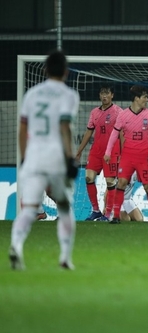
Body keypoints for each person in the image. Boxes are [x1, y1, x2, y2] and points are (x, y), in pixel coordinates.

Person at [9, 50, 80, 270]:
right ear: (66, 72)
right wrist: (70, 157)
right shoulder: (69, 95)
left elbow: (22, 129)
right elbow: (64, 126)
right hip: (56, 157)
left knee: (29, 209)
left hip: (33, 157)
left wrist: (24, 157)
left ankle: (17, 245)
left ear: (46, 70)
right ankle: (65, 258)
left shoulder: (32, 94)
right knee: (65, 208)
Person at [104, 85, 148, 224]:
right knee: (121, 183)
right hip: (127, 157)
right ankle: (116, 217)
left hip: (144, 157)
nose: (147, 100)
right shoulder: (123, 115)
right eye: (144, 97)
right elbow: (114, 133)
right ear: (136, 98)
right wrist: (108, 152)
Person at [76, 85, 123, 221]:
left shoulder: (118, 112)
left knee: (110, 182)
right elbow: (89, 131)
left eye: (107, 93)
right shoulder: (94, 113)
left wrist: (123, 152)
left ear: (112, 95)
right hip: (96, 151)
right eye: (102, 93)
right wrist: (79, 151)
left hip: (112, 151)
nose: (104, 96)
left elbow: (121, 133)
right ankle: (96, 210)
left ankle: (108, 214)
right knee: (88, 178)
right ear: (99, 95)